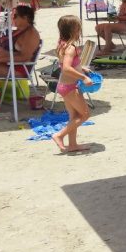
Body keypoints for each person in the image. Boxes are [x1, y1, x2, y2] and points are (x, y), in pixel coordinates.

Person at [51, 15, 93, 153]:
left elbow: (66, 64)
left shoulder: (62, 43)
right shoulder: (71, 48)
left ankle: (73, 144)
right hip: (69, 87)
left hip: (63, 86)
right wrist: (83, 77)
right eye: (78, 28)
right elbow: (67, 68)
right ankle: (59, 135)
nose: (79, 30)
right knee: (85, 114)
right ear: (73, 30)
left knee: (74, 116)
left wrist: (81, 68)